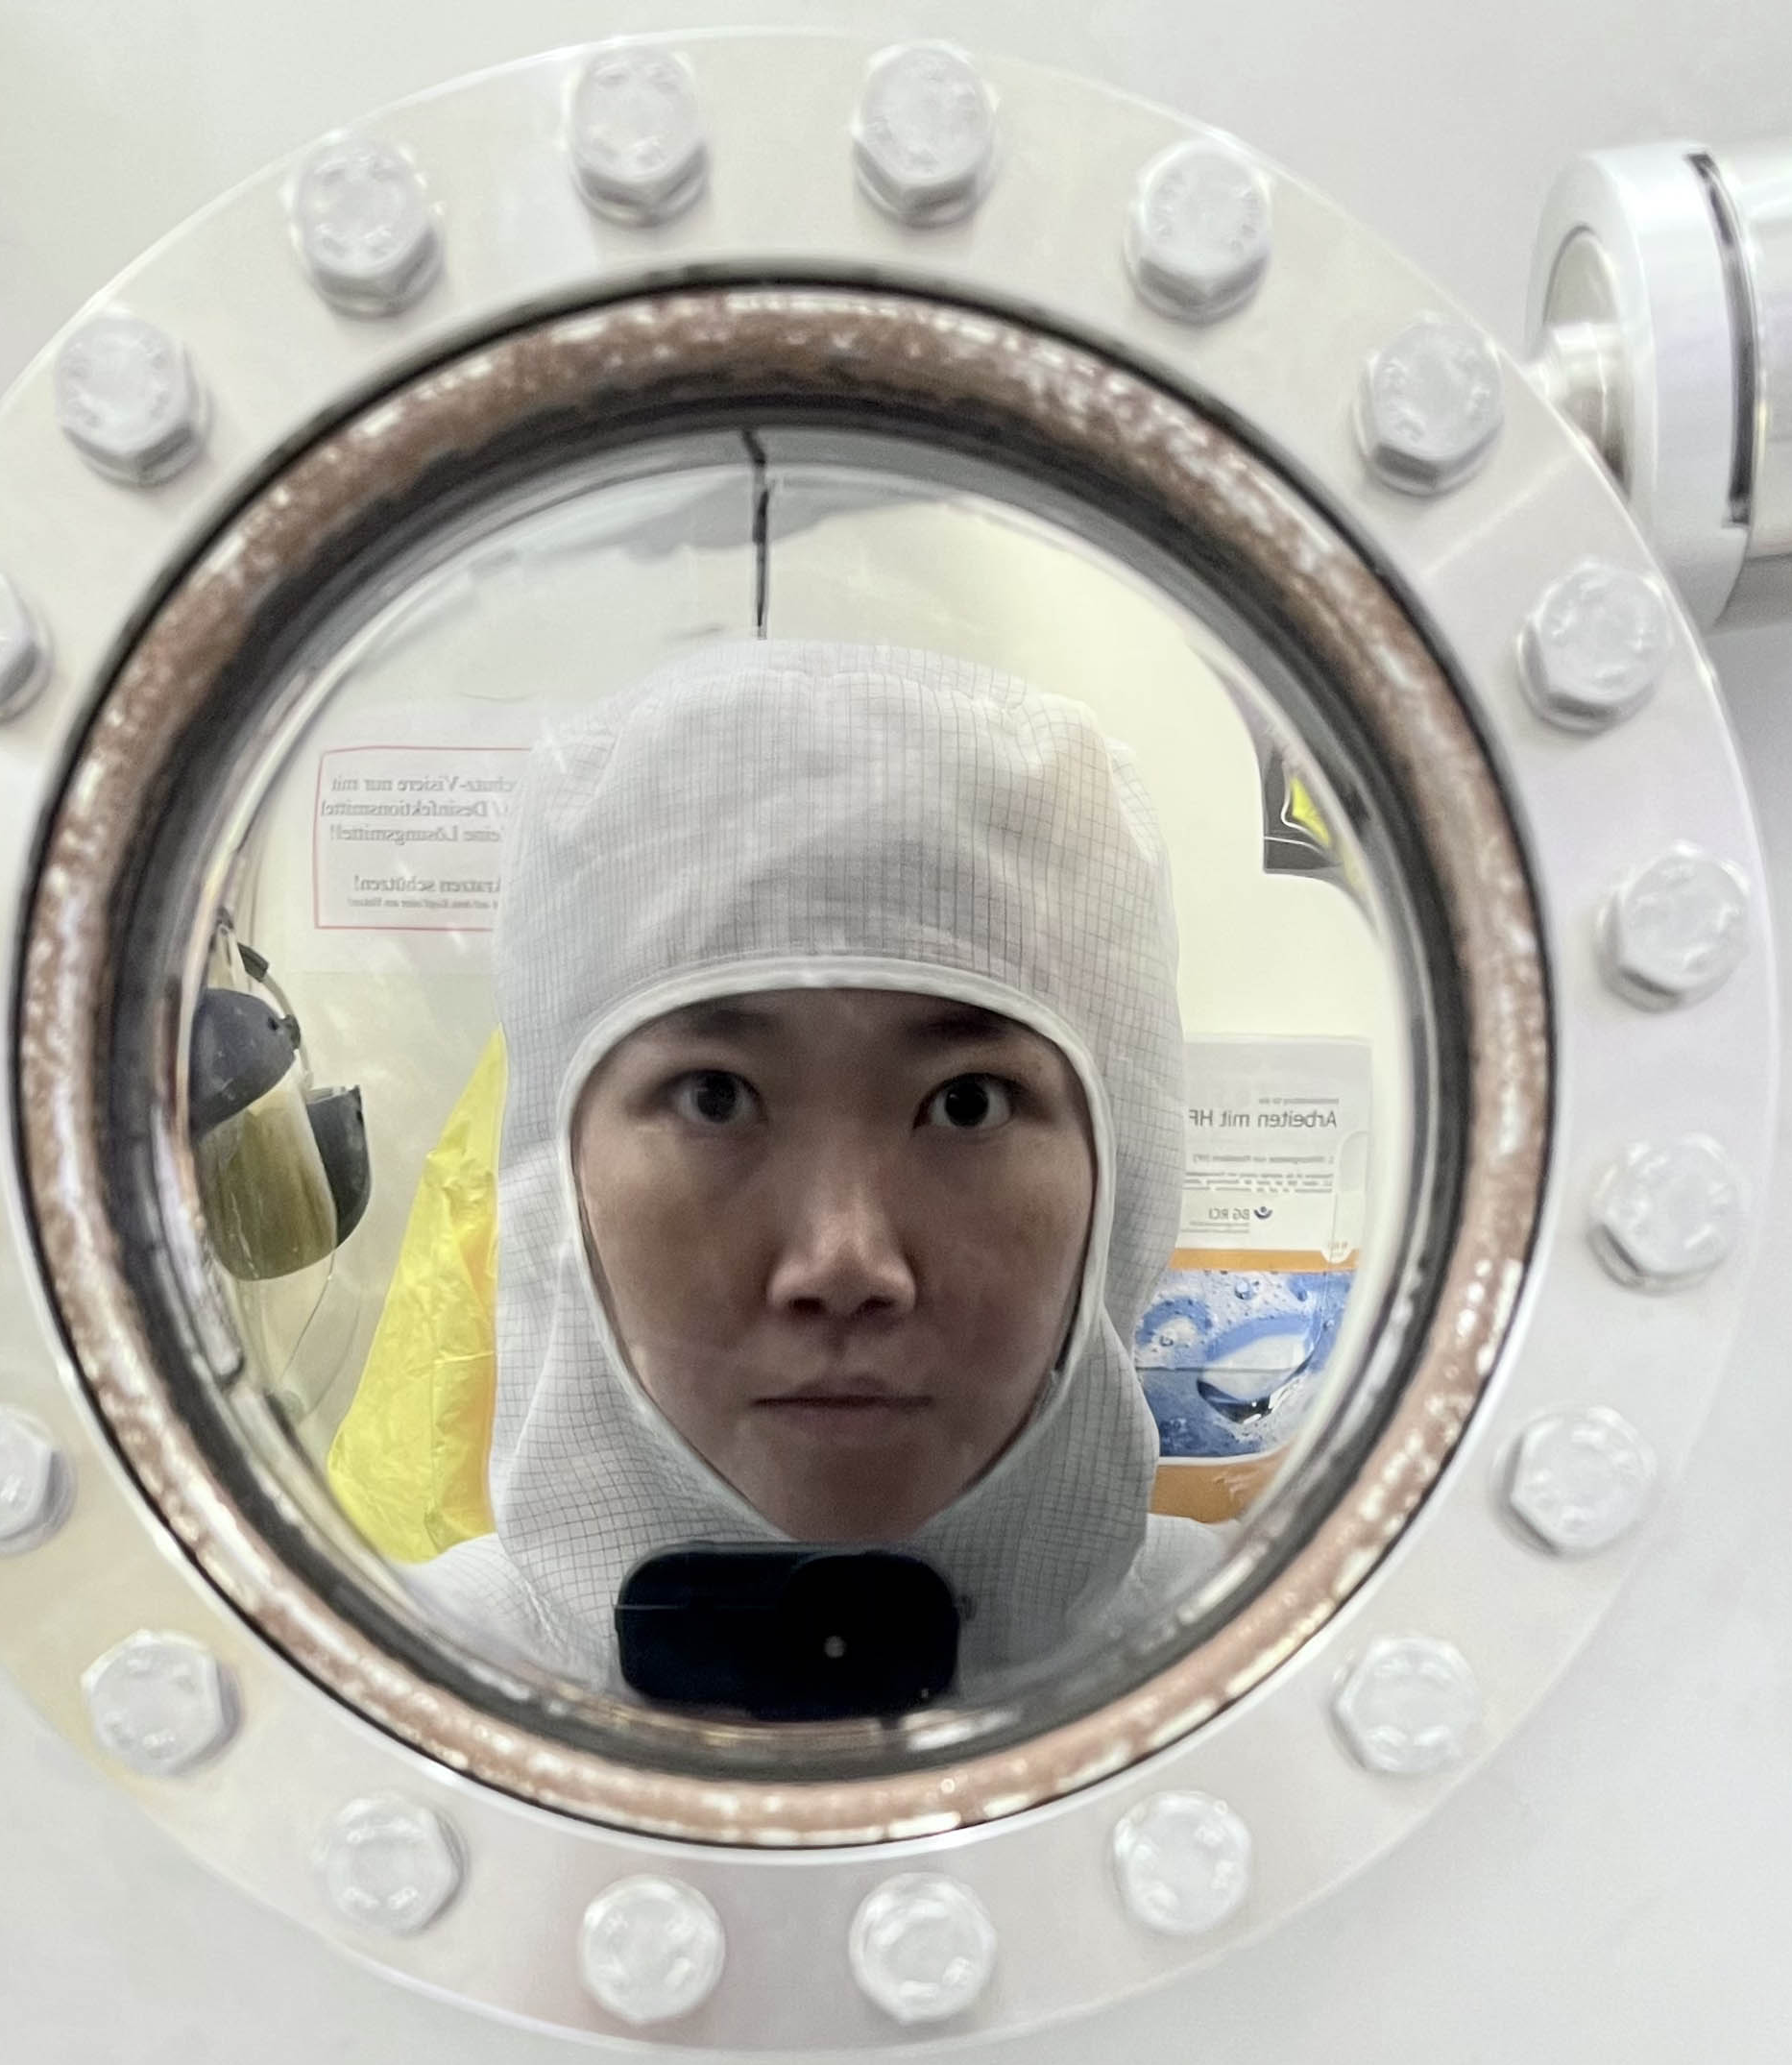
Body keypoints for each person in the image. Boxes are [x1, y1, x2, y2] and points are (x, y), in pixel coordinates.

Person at [389, 639, 1230, 1688]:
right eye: (714, 1097)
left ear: (1122, 1172)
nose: (844, 1265)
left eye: (966, 1104)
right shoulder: (370, 1702)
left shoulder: (1278, 1666)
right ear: (560, 1178)